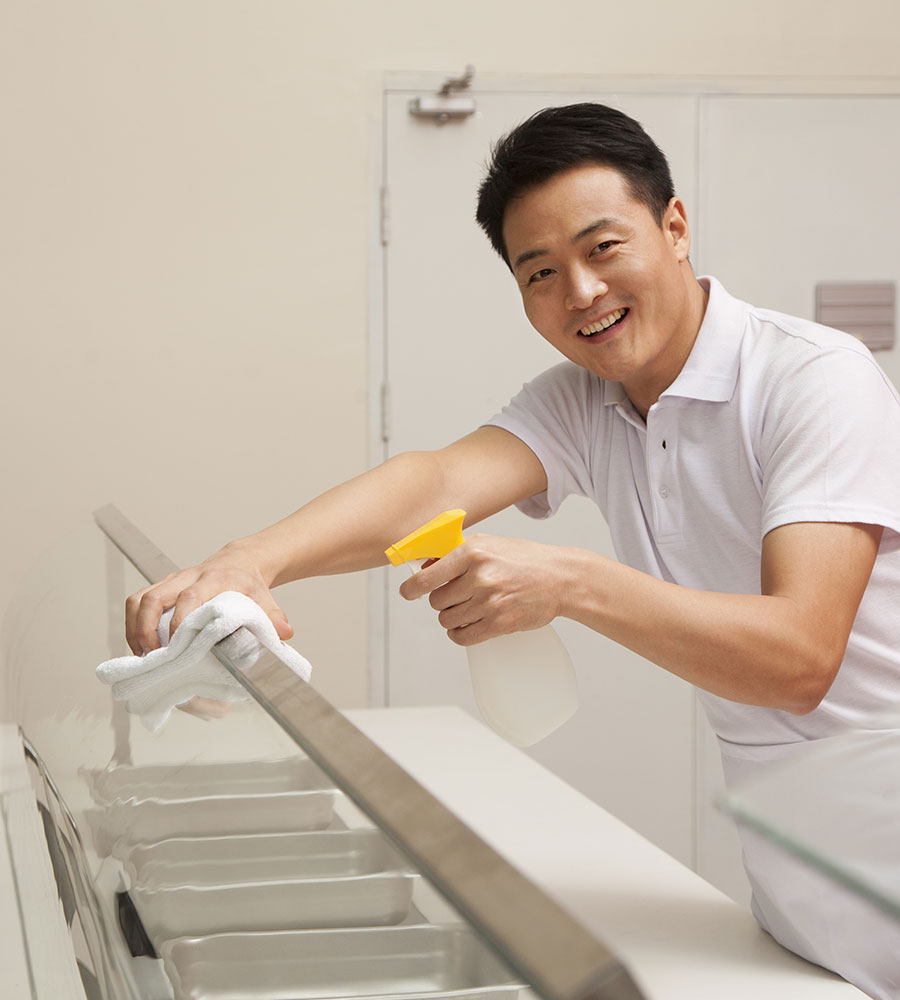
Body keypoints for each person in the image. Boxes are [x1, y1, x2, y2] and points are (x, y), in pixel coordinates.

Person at [126, 104, 900, 997]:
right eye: (541, 271)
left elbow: (800, 658)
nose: (580, 293)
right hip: (799, 872)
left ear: (674, 227)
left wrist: (571, 581)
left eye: (602, 248)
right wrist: (246, 562)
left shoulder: (812, 380)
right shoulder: (586, 400)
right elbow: (429, 485)